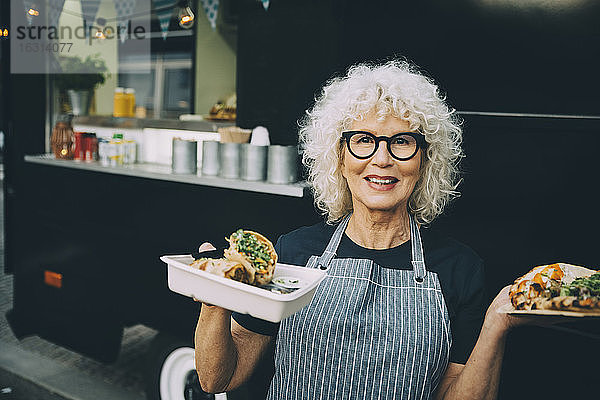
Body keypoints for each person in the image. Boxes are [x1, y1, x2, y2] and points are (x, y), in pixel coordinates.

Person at [195, 60, 527, 400]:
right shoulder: (293, 252)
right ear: (339, 157)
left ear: (424, 161)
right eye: (363, 140)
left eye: (401, 141)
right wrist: (213, 302)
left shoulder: (459, 269)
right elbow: (218, 379)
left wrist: (496, 325)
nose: (382, 159)